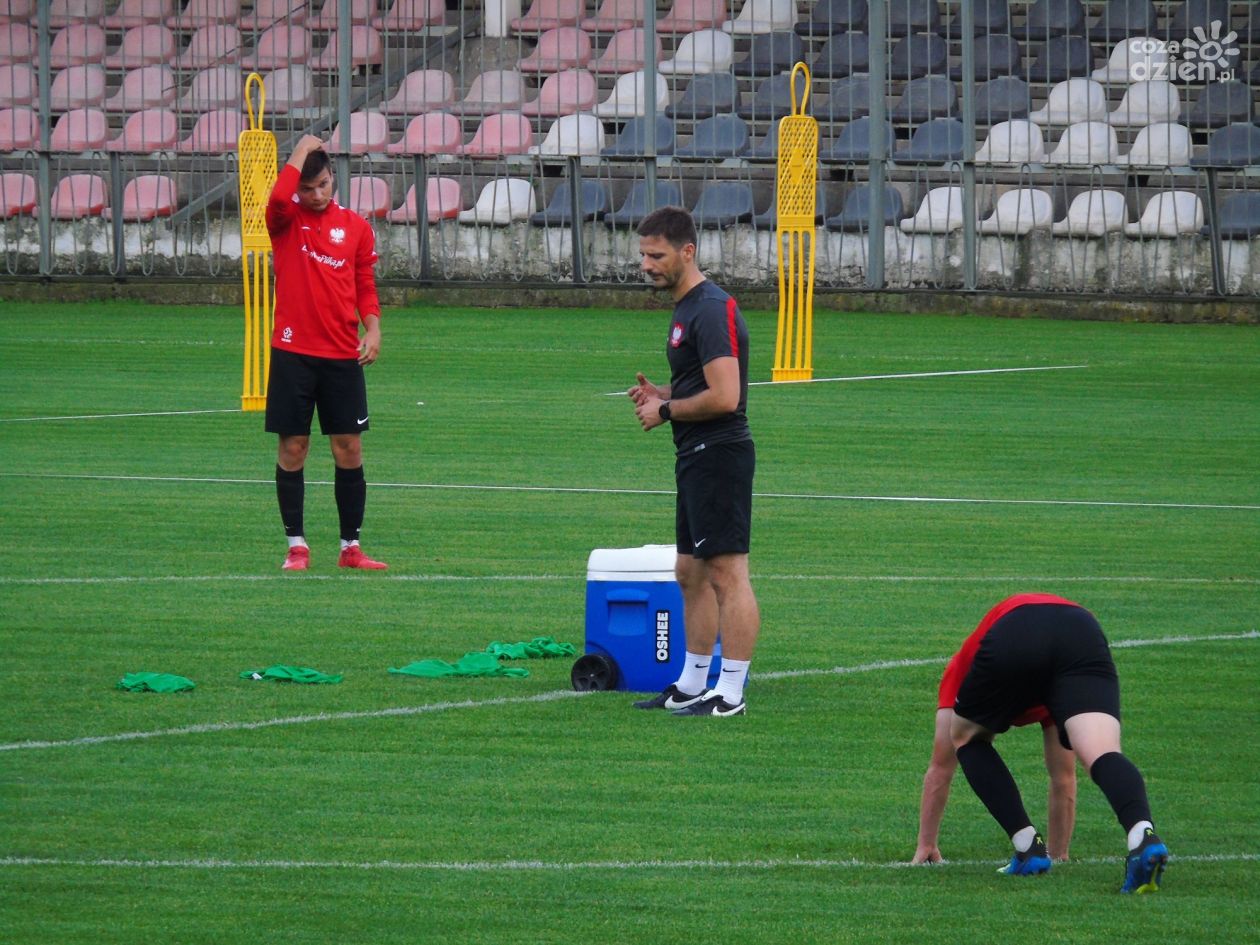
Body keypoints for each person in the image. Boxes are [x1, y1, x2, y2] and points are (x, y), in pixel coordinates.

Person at [920, 593, 1169, 893]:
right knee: (1102, 751)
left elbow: (941, 767)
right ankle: (1142, 834)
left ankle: (1027, 846)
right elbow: (1063, 777)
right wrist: (1059, 854)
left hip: (1017, 628)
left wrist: (926, 843)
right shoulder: (1053, 692)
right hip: (1081, 631)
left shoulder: (961, 671)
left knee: (965, 737)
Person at [627, 206, 761, 718]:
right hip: (695, 455)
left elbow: (726, 397)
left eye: (656, 255)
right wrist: (662, 392)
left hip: (719, 454)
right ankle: (691, 683)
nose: (646, 265)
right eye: (643, 255)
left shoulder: (710, 308)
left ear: (688, 252)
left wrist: (665, 410)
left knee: (727, 572)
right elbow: (701, 384)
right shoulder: (687, 307)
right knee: (690, 572)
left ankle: (730, 694)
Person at [264, 134, 387, 572]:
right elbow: (278, 197)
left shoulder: (356, 227)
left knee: (348, 448)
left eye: (324, 185)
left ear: (334, 178)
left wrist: (373, 328)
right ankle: (296, 546)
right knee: (293, 447)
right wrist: (299, 149)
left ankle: (350, 547)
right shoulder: (284, 220)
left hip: (340, 355)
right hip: (292, 352)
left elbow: (364, 284)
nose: (317, 195)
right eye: (308, 188)